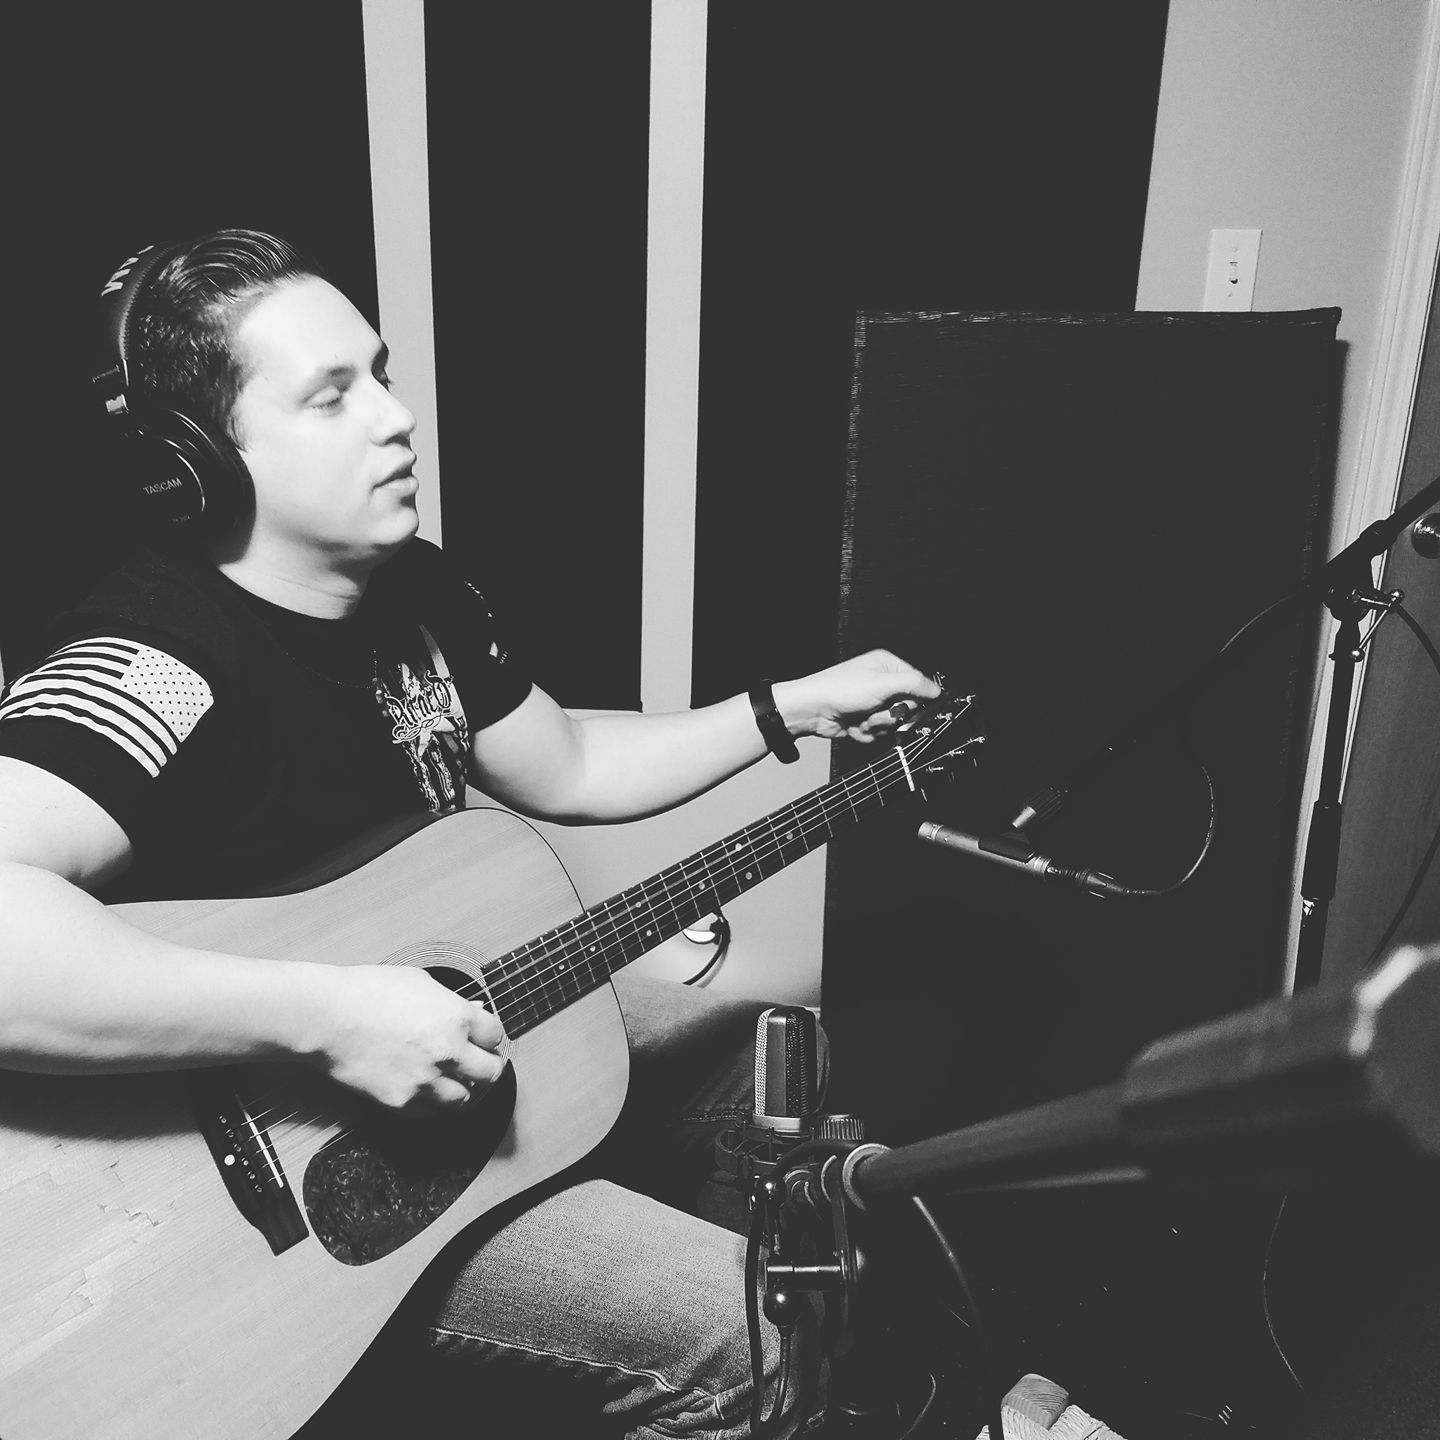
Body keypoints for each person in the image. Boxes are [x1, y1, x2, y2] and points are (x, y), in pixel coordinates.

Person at [0, 229, 941, 1437]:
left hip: (447, 1060)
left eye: (381, 375)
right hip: (259, 1201)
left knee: (752, 1062)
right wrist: (330, 1016)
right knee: (739, 1338)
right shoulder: (157, 658)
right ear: (196, 461)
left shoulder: (420, 593)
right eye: (331, 396)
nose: (396, 419)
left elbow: (573, 763)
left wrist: (791, 708)